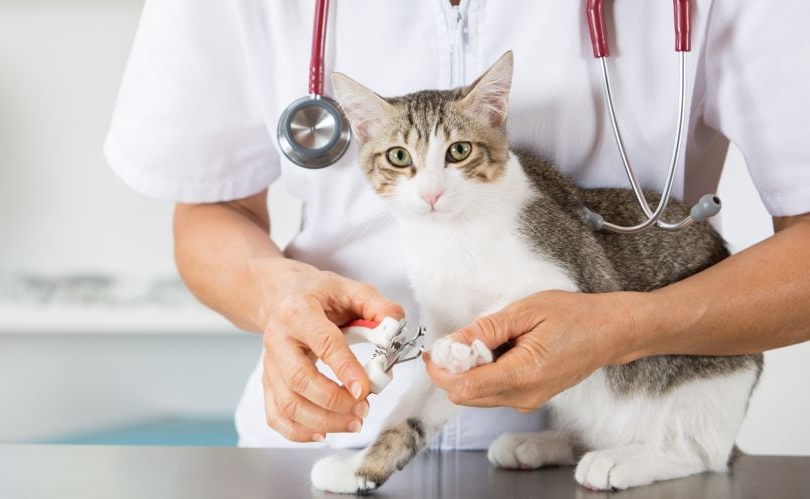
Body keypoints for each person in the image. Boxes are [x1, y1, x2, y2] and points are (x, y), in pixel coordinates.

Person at [104, 0, 810, 449]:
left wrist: (625, 327)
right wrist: (276, 294)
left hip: (607, 435)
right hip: (328, 440)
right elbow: (209, 208)